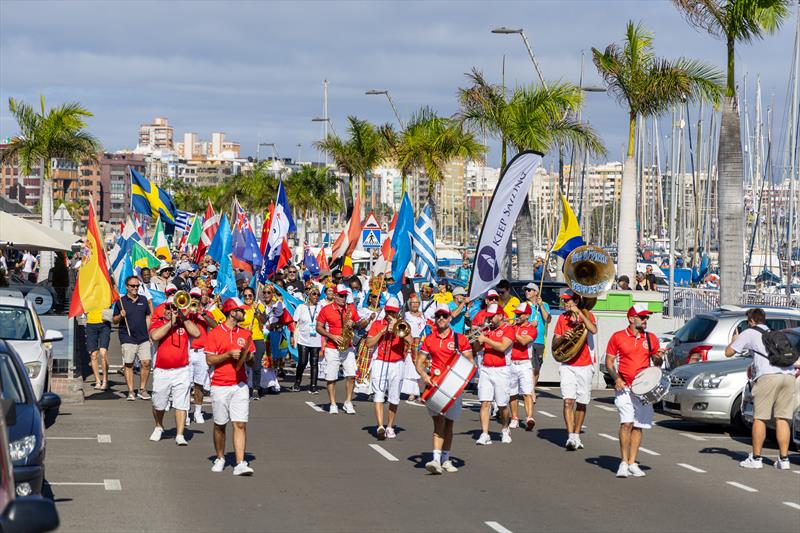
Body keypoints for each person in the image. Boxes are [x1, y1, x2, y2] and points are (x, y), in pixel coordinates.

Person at [725, 308, 797, 470]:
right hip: (788, 375)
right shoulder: (776, 333)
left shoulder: (749, 333)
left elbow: (728, 352)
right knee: (782, 418)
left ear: (751, 321)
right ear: (763, 320)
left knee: (760, 418)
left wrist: (734, 339)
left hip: (768, 377)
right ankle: (783, 460)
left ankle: (756, 458)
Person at [605, 304, 664, 478]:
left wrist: (659, 357)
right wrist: (616, 379)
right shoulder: (618, 337)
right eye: (642, 317)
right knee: (627, 423)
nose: (645, 320)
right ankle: (623, 462)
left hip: (643, 389)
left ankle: (632, 462)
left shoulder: (651, 338)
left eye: (647, 318)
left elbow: (656, 362)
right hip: (624, 387)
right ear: (632, 319)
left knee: (639, 426)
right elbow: (609, 362)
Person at [417, 304, 473, 474]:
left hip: (453, 386)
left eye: (444, 316)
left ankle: (446, 459)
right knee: (438, 422)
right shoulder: (429, 339)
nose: (441, 319)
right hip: (434, 385)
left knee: (449, 425)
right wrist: (425, 376)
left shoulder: (460, 339)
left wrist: (462, 375)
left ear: (450, 318)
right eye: (438, 316)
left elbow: (470, 362)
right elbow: (419, 362)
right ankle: (435, 459)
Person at [204, 298, 255, 475]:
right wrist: (227, 355)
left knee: (240, 424)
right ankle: (220, 457)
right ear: (232, 312)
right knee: (220, 425)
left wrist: (247, 357)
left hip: (240, 385)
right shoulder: (215, 333)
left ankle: (240, 463)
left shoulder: (245, 334)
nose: (244, 312)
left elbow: (252, 362)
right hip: (219, 384)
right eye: (241, 310)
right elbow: (209, 360)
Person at [147, 291, 200, 445]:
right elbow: (155, 336)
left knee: (181, 403)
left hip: (182, 370)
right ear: (165, 308)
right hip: (162, 370)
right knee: (158, 403)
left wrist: (182, 318)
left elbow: (196, 333)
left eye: (175, 307)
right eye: (169, 307)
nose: (172, 310)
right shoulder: (158, 321)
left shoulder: (185, 321)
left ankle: (180, 434)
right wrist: (170, 322)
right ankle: (159, 426)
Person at [552, 289, 597, 451]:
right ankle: (571, 436)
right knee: (568, 400)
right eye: (563, 300)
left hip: (585, 364)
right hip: (567, 365)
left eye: (567, 301)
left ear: (576, 301)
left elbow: (593, 329)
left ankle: (577, 434)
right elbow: (554, 345)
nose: (564, 303)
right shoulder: (562, 319)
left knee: (582, 402)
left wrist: (580, 314)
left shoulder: (587, 314)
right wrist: (564, 337)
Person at [316, 284, 371, 414]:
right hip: (332, 347)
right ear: (335, 296)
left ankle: (348, 402)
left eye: (345, 296)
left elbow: (359, 325)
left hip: (348, 346)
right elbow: (318, 327)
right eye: (341, 296)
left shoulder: (351, 309)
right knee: (331, 377)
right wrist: (332, 336)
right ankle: (333, 403)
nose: (343, 298)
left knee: (351, 375)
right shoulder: (326, 309)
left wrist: (358, 323)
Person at [365, 298, 409, 440]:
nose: (390, 314)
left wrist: (397, 327)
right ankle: (380, 426)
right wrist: (382, 332)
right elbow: (368, 343)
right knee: (378, 394)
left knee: (394, 397)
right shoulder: (377, 324)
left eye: (393, 312)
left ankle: (390, 426)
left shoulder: (402, 325)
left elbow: (411, 340)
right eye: (388, 311)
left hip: (397, 363)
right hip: (380, 362)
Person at [475, 304, 515, 445]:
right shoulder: (486, 330)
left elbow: (503, 347)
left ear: (500, 316)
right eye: (489, 316)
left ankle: (505, 429)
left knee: (502, 404)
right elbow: (477, 349)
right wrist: (478, 340)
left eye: (492, 316)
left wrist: (486, 340)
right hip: (486, 368)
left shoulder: (508, 329)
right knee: (485, 402)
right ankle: (485, 433)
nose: (490, 319)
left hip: (502, 370)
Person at [113, 275, 152, 401]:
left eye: (137, 286)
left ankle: (142, 389)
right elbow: (114, 320)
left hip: (143, 337)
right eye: (132, 286)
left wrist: (149, 332)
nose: (135, 288)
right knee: (129, 364)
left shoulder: (144, 300)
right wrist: (120, 315)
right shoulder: (121, 301)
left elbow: (147, 316)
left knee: (146, 363)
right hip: (127, 337)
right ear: (127, 287)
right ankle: (130, 391)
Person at [508, 303, 537, 431]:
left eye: (520, 314)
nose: (517, 316)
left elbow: (524, 341)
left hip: (525, 363)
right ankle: (514, 418)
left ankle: (529, 417)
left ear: (527, 315)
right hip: (511, 363)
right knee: (512, 393)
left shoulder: (532, 328)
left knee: (527, 392)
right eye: (516, 314)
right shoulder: (513, 327)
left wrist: (510, 331)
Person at [187, 287, 214, 424]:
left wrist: (202, 314)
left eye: (197, 298)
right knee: (185, 385)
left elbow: (214, 326)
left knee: (199, 385)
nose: (195, 300)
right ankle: (185, 413)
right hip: (187, 352)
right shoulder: (184, 312)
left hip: (201, 352)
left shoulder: (206, 312)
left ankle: (197, 412)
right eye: (192, 297)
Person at [292, 287, 322, 393]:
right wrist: (292, 336)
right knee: (303, 362)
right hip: (303, 339)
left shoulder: (321, 307)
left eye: (318, 294)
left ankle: (313, 385)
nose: (316, 297)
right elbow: (295, 322)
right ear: (309, 295)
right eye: (314, 294)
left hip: (316, 339)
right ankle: (297, 382)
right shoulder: (301, 307)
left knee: (314, 362)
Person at [523, 283, 551, 398]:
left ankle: (532, 388)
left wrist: (541, 306)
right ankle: (530, 392)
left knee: (537, 368)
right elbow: (518, 322)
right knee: (530, 367)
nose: (527, 292)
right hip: (527, 340)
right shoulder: (523, 305)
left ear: (536, 292)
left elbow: (548, 319)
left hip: (539, 341)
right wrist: (530, 324)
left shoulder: (544, 305)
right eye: (526, 290)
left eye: (529, 290)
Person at [240, 287, 267, 399]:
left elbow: (264, 321)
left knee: (256, 365)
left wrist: (258, 312)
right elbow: (236, 324)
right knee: (242, 365)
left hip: (257, 339)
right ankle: (242, 387)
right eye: (245, 296)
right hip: (243, 340)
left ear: (253, 296)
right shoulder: (240, 309)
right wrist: (244, 327)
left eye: (250, 295)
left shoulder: (259, 306)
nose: (247, 298)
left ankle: (255, 388)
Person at [403, 294, 427, 404]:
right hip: (411, 343)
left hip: (422, 344)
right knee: (411, 369)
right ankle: (412, 393)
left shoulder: (423, 315)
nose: (415, 304)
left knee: (421, 367)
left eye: (417, 302)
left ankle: (422, 392)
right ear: (409, 304)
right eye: (413, 303)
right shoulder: (406, 315)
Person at [86, 305, 112, 391]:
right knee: (93, 355)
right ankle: (97, 381)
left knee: (103, 353)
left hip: (104, 323)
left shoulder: (105, 292)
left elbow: (114, 296)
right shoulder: (89, 294)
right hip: (91, 324)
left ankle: (105, 380)